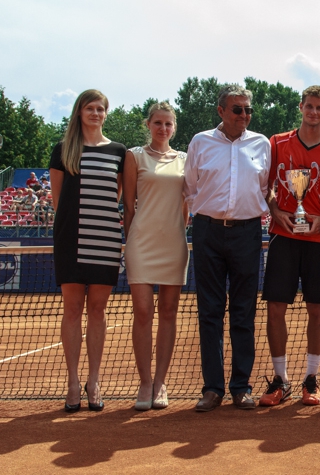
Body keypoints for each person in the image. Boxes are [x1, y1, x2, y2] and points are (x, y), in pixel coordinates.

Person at [183, 84, 270, 412]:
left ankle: (241, 387)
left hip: (248, 233)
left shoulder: (261, 144)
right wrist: (210, 214)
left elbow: (263, 188)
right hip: (208, 232)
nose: (244, 115)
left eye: (248, 110)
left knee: (244, 312)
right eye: (237, 110)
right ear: (221, 111)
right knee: (210, 312)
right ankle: (212, 388)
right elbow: (190, 187)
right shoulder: (200, 142)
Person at [259, 85, 320, 407]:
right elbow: (265, 188)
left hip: (319, 242)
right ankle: (280, 380)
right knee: (275, 309)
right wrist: (276, 212)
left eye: (319, 107)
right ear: (300, 107)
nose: (313, 112)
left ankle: (311, 378)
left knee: (316, 309)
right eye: (309, 106)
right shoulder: (277, 143)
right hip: (284, 238)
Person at [49, 89, 126, 413]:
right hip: (71, 240)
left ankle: (93, 382)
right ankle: (71, 383)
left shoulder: (119, 152)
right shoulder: (63, 149)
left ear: (106, 114)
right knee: (71, 310)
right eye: (90, 108)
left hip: (105, 239)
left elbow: (117, 196)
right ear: (79, 112)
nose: (95, 113)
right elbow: (57, 202)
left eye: (100, 108)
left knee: (98, 311)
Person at [123, 102, 189, 411]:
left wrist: (178, 228)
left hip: (173, 243)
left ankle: (161, 382)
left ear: (174, 127)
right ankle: (145, 382)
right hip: (141, 242)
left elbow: (186, 204)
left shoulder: (185, 161)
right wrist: (131, 236)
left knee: (168, 312)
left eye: (168, 124)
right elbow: (129, 205)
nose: (163, 128)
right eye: (158, 122)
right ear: (148, 124)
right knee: (142, 312)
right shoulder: (134, 157)